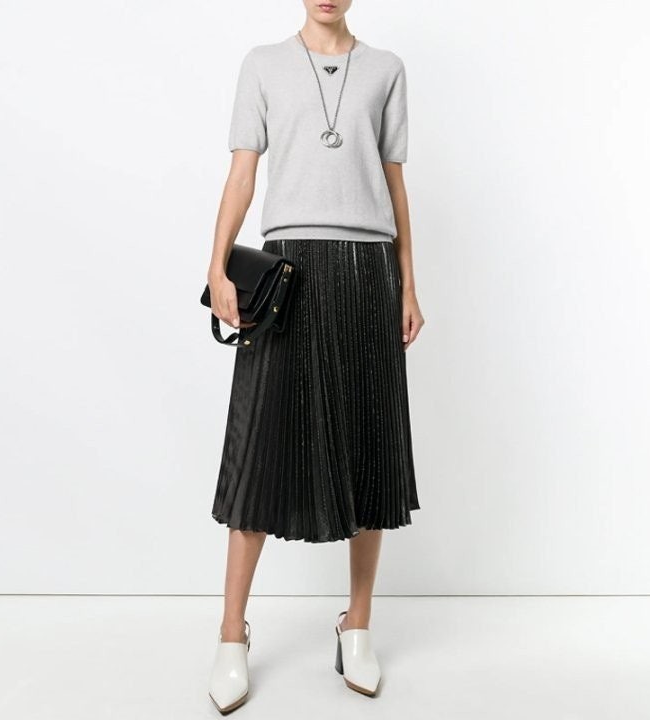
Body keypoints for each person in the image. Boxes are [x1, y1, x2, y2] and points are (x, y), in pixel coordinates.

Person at [206, 0, 425, 712]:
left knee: (369, 446)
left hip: (367, 269)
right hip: (288, 271)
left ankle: (356, 625)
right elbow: (243, 174)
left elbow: (394, 183)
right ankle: (231, 634)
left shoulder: (386, 69)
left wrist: (408, 286)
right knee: (262, 447)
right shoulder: (263, 65)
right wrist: (216, 265)